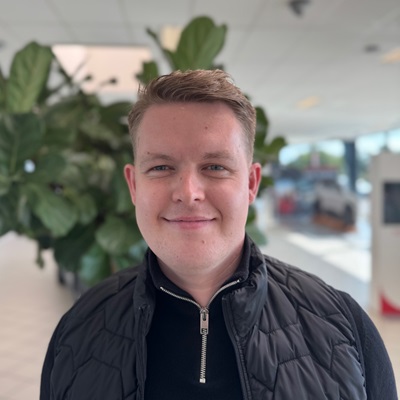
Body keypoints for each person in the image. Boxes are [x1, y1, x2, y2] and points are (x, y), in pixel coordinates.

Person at [40, 70, 398, 400]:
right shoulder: (78, 331)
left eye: (215, 166)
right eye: (161, 167)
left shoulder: (343, 326)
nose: (188, 192)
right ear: (134, 186)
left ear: (251, 184)